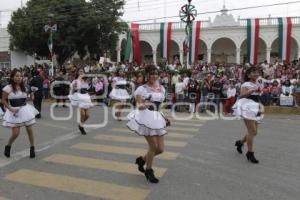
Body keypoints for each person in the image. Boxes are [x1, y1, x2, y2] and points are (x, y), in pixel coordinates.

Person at [127, 65, 170, 183]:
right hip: (145, 118)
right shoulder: (141, 89)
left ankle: (142, 160)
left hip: (157, 117)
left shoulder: (161, 88)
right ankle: (149, 171)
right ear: (147, 75)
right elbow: (138, 105)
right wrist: (145, 105)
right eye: (152, 73)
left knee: (160, 149)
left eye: (156, 73)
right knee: (153, 147)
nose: (154, 76)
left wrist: (164, 117)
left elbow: (160, 106)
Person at [2, 69, 39, 158]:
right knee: (15, 134)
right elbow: (3, 100)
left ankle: (32, 148)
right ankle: (8, 146)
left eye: (20, 76)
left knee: (29, 130)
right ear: (12, 77)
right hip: (14, 111)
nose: (19, 78)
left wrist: (32, 96)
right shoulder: (8, 88)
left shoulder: (24, 87)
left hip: (25, 110)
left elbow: (26, 99)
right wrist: (10, 109)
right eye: (17, 76)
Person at [233, 67, 262, 164]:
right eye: (253, 72)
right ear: (249, 75)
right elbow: (241, 95)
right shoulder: (246, 84)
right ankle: (250, 153)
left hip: (256, 107)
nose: (256, 74)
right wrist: (251, 91)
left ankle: (240, 143)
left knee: (254, 132)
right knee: (252, 131)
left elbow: (257, 97)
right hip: (247, 107)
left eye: (257, 72)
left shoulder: (257, 83)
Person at [68, 69, 93, 135]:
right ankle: (81, 127)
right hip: (79, 97)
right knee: (83, 114)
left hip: (85, 97)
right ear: (78, 73)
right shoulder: (75, 81)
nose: (81, 72)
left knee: (87, 115)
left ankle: (80, 124)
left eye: (82, 71)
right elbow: (71, 87)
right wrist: (71, 94)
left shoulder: (86, 81)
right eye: (80, 71)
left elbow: (88, 88)